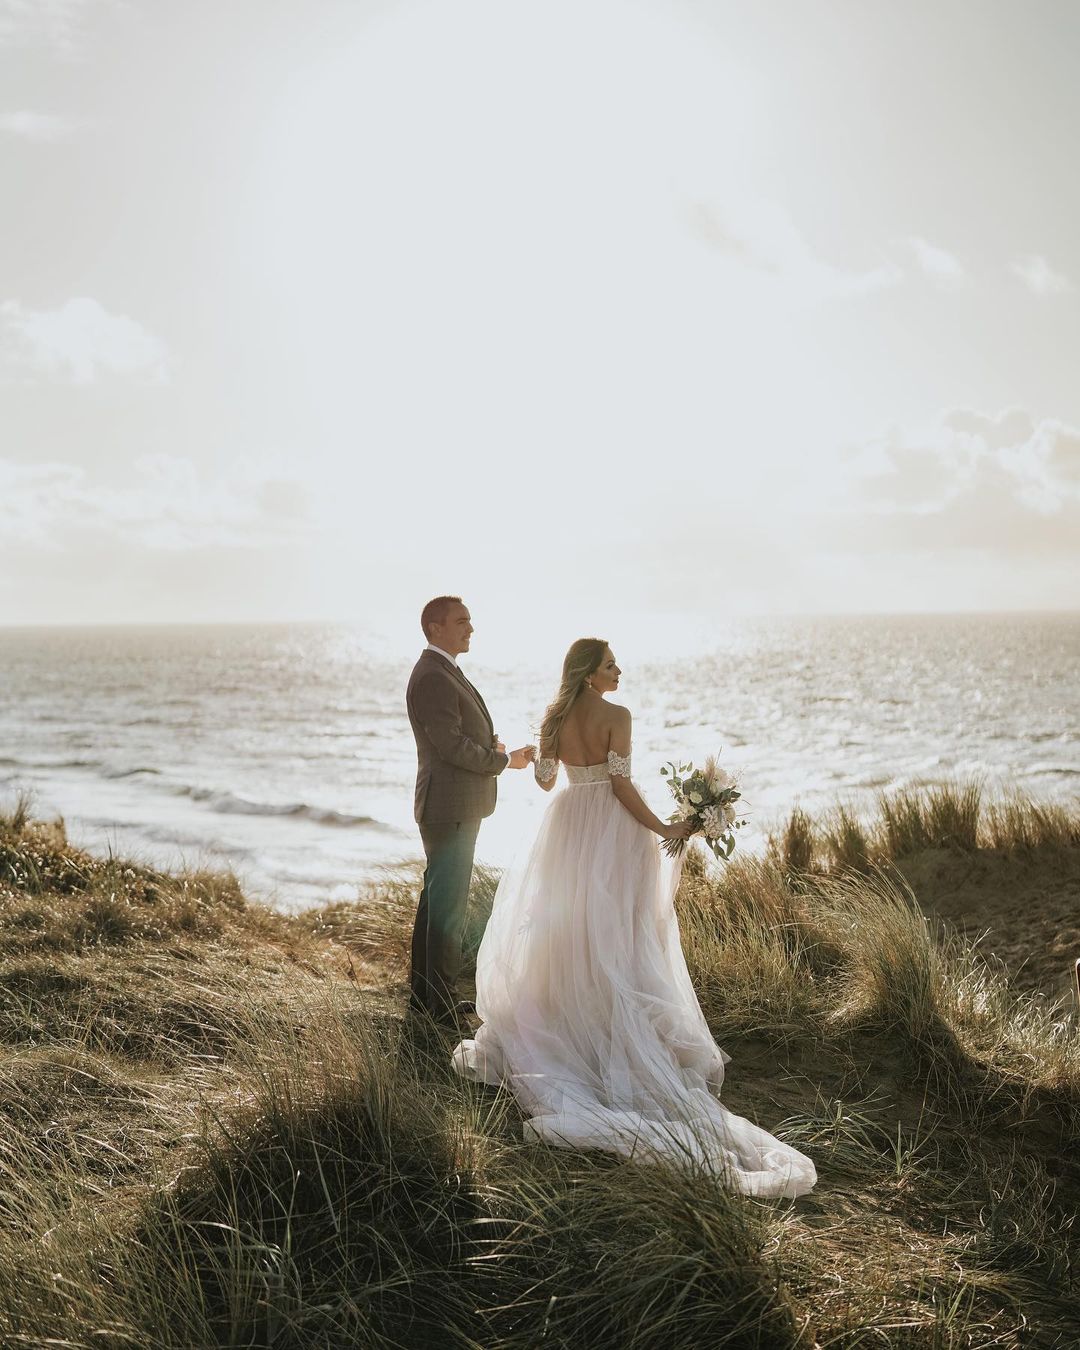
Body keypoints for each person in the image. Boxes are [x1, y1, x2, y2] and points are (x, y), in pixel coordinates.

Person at [451, 637, 817, 1197]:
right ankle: (607, 1020)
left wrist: (529, 755)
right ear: (589, 674)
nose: (618, 671)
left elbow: (546, 780)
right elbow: (620, 787)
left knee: (571, 928)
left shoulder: (554, 719)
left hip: (566, 825)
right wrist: (663, 827)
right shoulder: (617, 716)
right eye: (610, 665)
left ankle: (573, 1013)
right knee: (619, 931)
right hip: (611, 830)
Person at [405, 596, 535, 1029]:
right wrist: (504, 761)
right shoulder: (433, 676)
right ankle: (440, 1007)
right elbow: (450, 746)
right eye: (461, 621)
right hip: (449, 805)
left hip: (452, 803)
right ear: (435, 628)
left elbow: (456, 737)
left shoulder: (443, 670)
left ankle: (426, 997)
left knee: (436, 902)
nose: (471, 629)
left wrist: (488, 747)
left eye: (470, 621)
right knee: (448, 908)